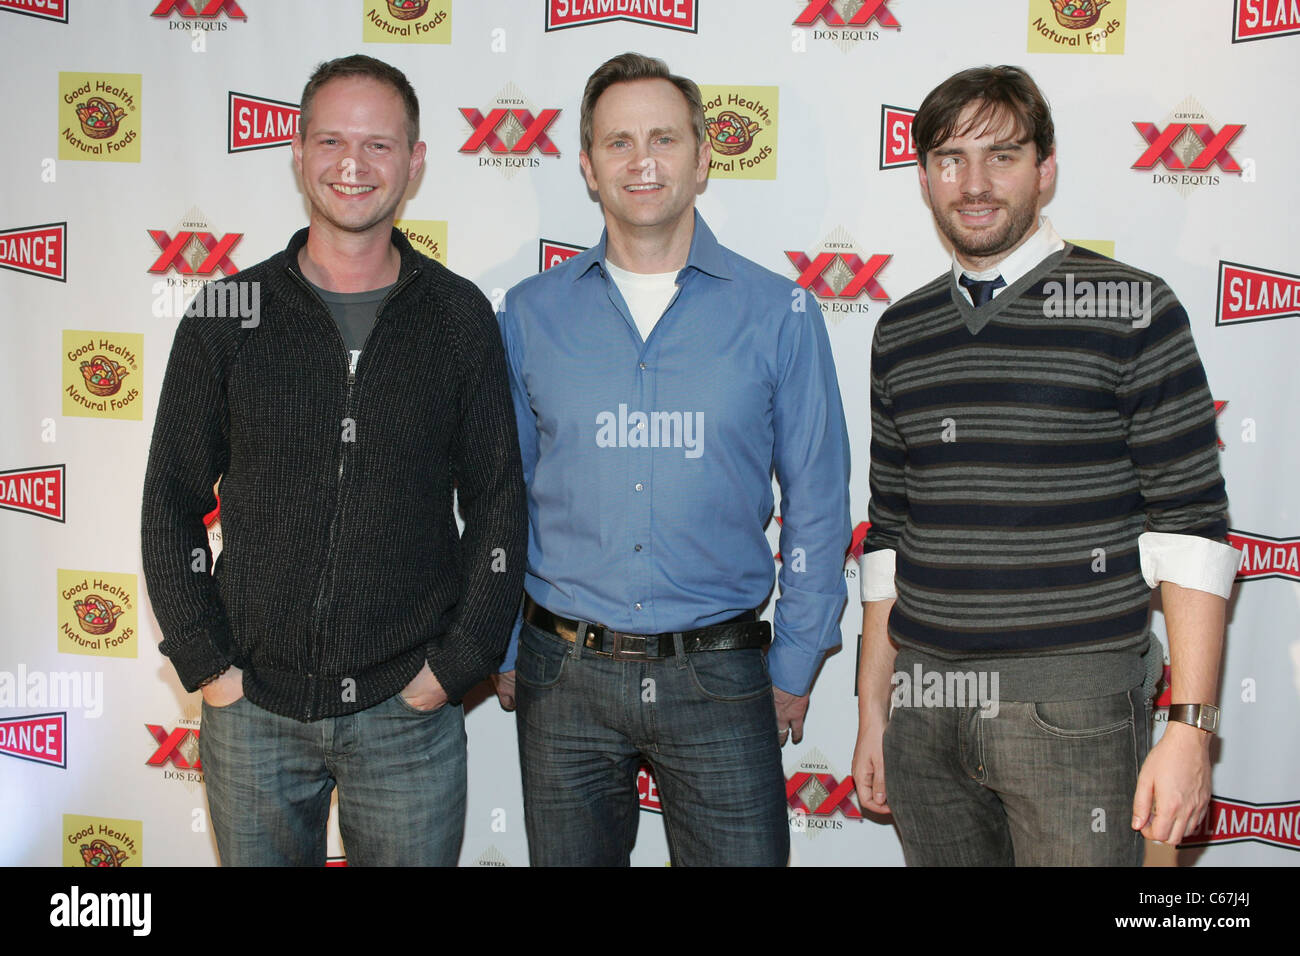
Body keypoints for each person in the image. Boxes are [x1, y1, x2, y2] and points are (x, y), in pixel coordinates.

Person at [141, 54, 525, 866]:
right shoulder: (228, 311)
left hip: (406, 712)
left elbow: (498, 505)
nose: (354, 165)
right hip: (252, 708)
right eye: (332, 141)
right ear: (298, 152)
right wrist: (211, 668)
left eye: (380, 145)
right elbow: (171, 498)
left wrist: (453, 668)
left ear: (415, 162)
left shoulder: (457, 317)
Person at [852, 65, 1239, 866]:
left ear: (1046, 168)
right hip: (925, 709)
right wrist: (872, 712)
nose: (975, 182)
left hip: (1073, 711)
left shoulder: (1133, 306)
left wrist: (1190, 729)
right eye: (951, 158)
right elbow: (889, 540)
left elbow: (1192, 531)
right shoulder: (901, 330)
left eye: (1002, 155)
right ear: (923, 178)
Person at [492, 52, 851, 866]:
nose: (642, 160)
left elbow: (818, 500)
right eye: (618, 142)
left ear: (703, 156)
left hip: (721, 678)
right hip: (561, 675)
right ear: (587, 167)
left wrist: (795, 659)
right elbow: (501, 495)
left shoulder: (781, 312)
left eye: (663, 138)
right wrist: (507, 646)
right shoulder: (528, 313)